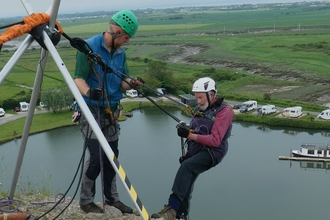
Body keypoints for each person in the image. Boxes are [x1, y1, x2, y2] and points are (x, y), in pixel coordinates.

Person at [73, 10, 144, 214]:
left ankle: (112, 199)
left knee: (112, 156)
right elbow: (78, 78)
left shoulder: (121, 54)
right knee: (96, 157)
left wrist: (133, 83)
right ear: (116, 31)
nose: (127, 42)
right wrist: (89, 92)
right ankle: (86, 201)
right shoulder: (88, 48)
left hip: (110, 111)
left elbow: (123, 82)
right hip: (90, 109)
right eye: (126, 37)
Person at [152, 77, 234, 220]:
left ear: (212, 95)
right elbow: (197, 130)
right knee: (186, 181)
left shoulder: (224, 111)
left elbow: (215, 140)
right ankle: (181, 215)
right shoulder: (198, 109)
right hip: (197, 149)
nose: (198, 101)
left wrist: (189, 135)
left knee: (187, 167)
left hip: (213, 152)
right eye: (196, 98)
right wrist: (187, 134)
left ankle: (172, 209)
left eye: (201, 97)